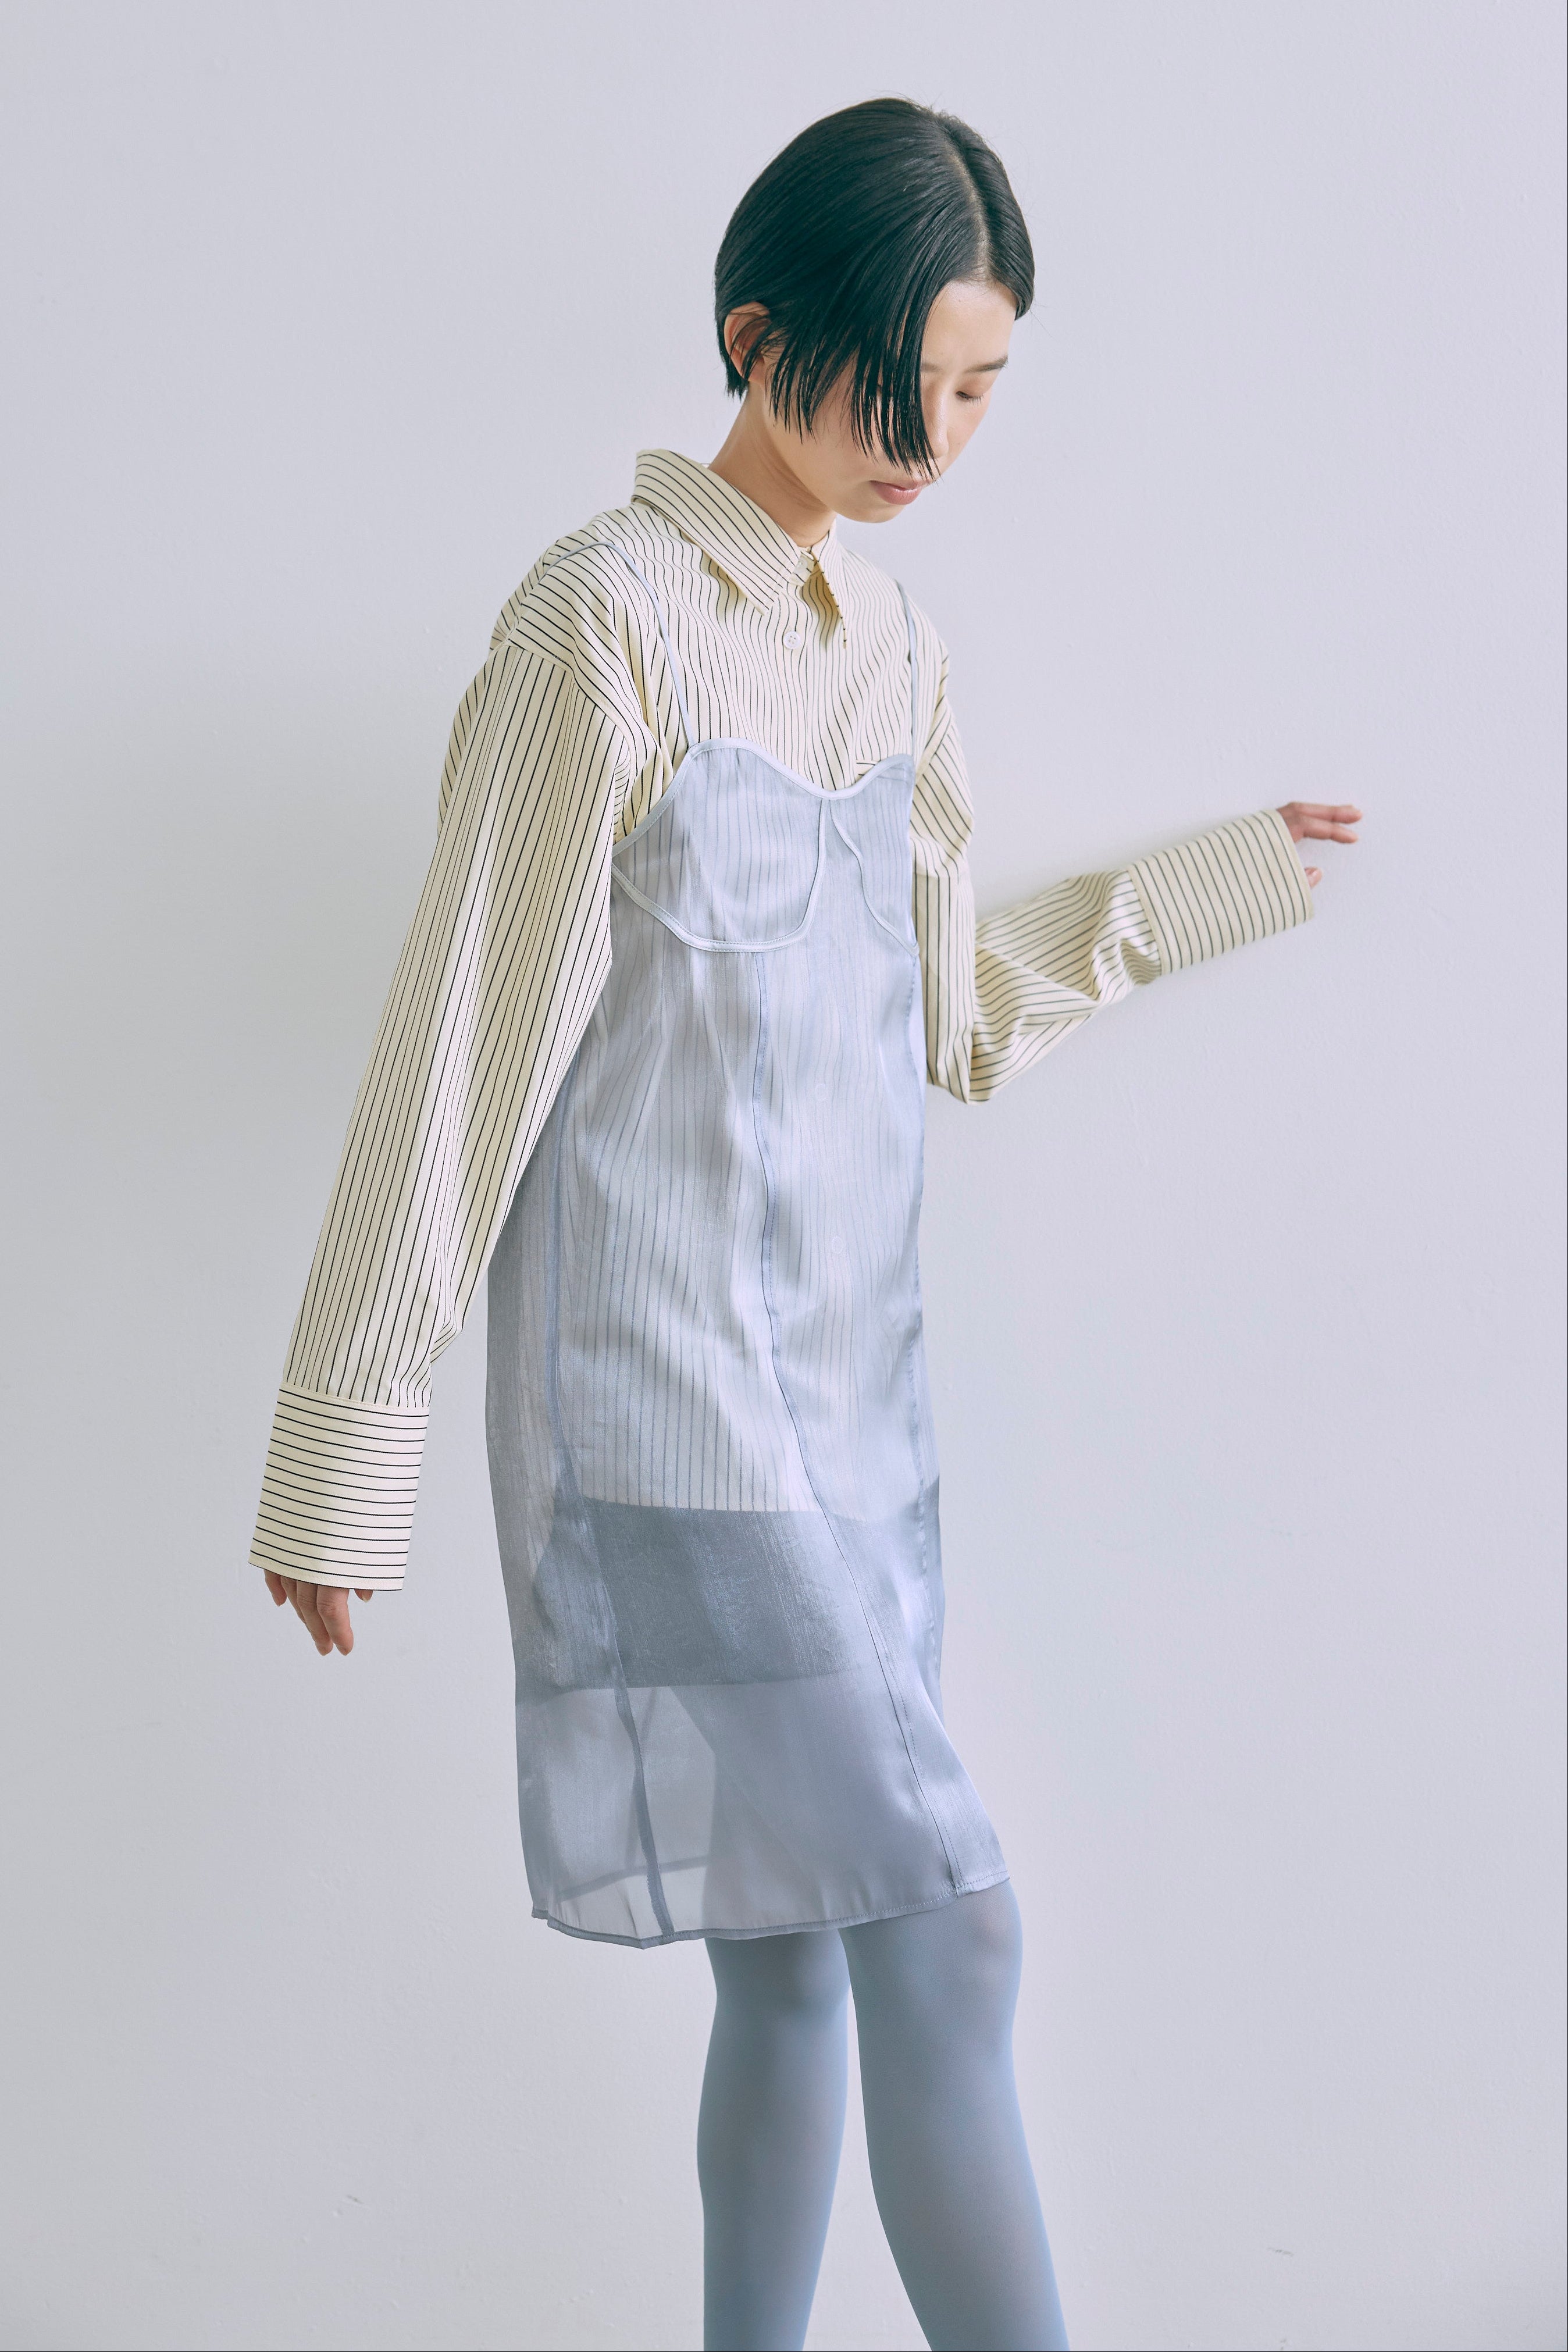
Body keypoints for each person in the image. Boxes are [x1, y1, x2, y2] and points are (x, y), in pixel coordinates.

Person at [250, 97, 1360, 2352]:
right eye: (898, 386)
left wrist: (1213, 882)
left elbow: (948, 1016)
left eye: (979, 391)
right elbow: (460, 1049)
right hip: (679, 1437)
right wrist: (341, 1454)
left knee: (792, 1959)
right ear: (758, 341)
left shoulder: (892, 655)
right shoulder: (602, 625)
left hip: (859, 1443)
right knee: (950, 1926)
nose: (935, 444)